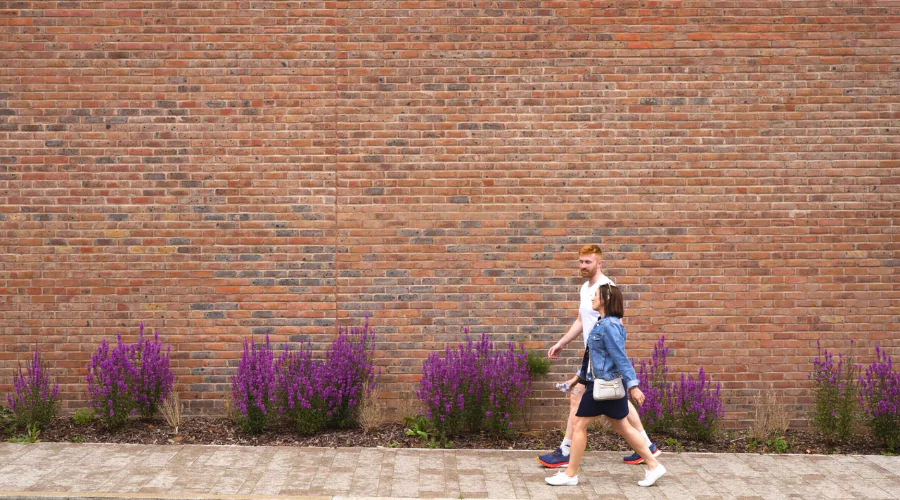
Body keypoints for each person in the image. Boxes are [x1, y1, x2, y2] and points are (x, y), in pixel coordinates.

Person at [537, 245, 660, 468]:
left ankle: (566, 452)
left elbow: (617, 327)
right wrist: (561, 343)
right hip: (593, 360)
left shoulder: (607, 289)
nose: (583, 266)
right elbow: (581, 321)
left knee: (582, 400)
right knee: (619, 406)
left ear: (599, 263)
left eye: (588, 262)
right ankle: (648, 448)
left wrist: (614, 365)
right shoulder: (585, 289)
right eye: (581, 262)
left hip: (603, 362)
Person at [546, 283, 667, 487]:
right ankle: (654, 464)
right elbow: (593, 359)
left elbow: (620, 357)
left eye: (596, 295)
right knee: (622, 427)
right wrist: (577, 379)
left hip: (603, 386)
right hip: (603, 385)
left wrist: (633, 385)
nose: (592, 298)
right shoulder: (602, 323)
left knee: (579, 425)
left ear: (606, 300)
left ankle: (570, 474)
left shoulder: (610, 326)